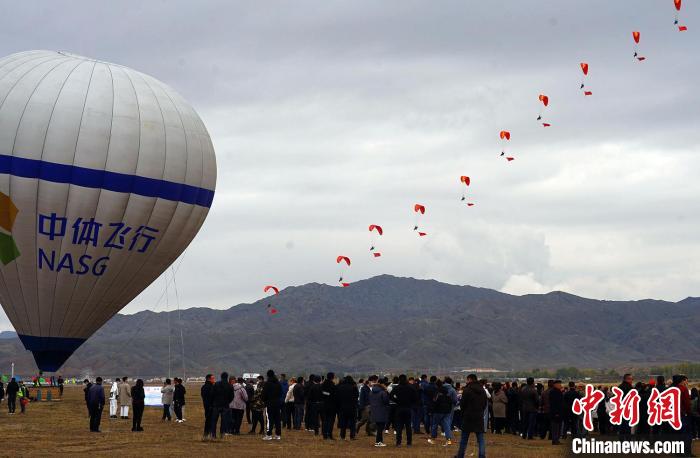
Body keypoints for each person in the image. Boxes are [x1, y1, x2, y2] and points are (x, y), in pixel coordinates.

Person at [456, 374, 488, 458]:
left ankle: (460, 455)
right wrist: (480, 411)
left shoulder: (467, 390)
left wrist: (464, 413)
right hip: (479, 416)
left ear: (470, 379)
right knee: (480, 439)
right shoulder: (482, 390)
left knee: (464, 439)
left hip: (468, 416)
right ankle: (482, 455)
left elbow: (462, 404)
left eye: (467, 380)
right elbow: (485, 403)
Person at [390, 374, 418, 447]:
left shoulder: (397, 387)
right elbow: (416, 397)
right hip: (408, 408)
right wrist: (410, 402)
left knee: (399, 427)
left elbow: (390, 396)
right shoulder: (410, 387)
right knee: (408, 427)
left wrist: (397, 401)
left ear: (399, 379)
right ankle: (409, 443)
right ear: (406, 379)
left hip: (399, 408)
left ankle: (398, 443)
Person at [428, 380, 454, 446]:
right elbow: (451, 402)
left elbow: (434, 403)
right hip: (447, 411)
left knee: (434, 424)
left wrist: (431, 411)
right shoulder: (447, 394)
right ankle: (449, 440)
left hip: (438, 411)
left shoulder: (437, 393)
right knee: (447, 425)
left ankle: (433, 438)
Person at [210, 372, 234, 439]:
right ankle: (221, 435)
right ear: (227, 377)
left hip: (216, 405)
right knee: (224, 421)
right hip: (225, 405)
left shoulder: (216, 384)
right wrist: (227, 402)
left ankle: (213, 435)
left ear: (221, 377)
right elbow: (232, 396)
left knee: (214, 421)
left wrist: (213, 402)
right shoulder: (230, 386)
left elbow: (212, 394)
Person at [337, 375, 359, 440]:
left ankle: (342, 436)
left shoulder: (340, 387)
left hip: (342, 407)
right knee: (352, 422)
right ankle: (352, 436)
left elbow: (338, 397)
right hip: (352, 407)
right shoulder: (354, 387)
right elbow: (357, 396)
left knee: (343, 422)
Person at [262, 369, 282, 440]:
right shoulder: (278, 383)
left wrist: (264, 400)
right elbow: (281, 393)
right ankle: (278, 435)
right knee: (277, 419)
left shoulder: (267, 383)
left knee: (269, 419)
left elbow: (264, 394)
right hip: (277, 403)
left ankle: (269, 434)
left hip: (269, 403)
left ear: (268, 375)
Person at [370, 377, 390, 447]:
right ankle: (378, 442)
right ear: (382, 384)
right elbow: (386, 401)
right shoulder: (383, 392)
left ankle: (379, 441)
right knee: (380, 428)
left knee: (379, 428)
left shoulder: (372, 391)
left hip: (374, 411)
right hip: (382, 411)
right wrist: (387, 392)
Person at [320, 372, 338, 440]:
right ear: (332, 377)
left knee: (325, 420)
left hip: (324, 404)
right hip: (332, 405)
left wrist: (327, 394)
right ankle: (329, 434)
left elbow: (322, 393)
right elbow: (334, 395)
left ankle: (324, 435)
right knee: (331, 421)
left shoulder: (323, 384)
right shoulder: (333, 385)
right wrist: (329, 395)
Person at [618, 374, 633, 440]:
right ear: (627, 379)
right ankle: (628, 440)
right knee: (627, 426)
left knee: (621, 425)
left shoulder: (619, 387)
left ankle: (621, 440)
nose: (632, 381)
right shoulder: (630, 388)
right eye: (631, 379)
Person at [548, 380, 564, 445]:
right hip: (556, 413)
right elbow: (554, 404)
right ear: (555, 385)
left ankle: (556, 439)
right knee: (555, 427)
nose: (561, 385)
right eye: (559, 384)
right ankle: (555, 440)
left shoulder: (557, 392)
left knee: (558, 427)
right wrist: (556, 413)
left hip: (558, 412)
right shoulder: (554, 392)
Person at [201, 374, 215, 440]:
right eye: (213, 378)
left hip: (206, 406)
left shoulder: (203, 387)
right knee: (211, 421)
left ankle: (206, 434)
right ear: (209, 379)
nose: (214, 380)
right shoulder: (211, 387)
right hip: (211, 406)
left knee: (208, 420)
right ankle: (210, 434)